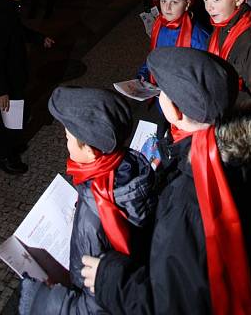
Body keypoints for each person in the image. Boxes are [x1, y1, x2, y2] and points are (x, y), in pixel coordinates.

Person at [80, 47, 251, 314]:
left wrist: (110, 277)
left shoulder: (188, 197)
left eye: (162, 92)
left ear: (174, 111)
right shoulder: (244, 152)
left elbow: (173, 304)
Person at [19, 87, 155, 314]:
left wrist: (39, 299)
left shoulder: (95, 214)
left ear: (91, 151)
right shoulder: (131, 166)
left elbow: (96, 304)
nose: (66, 144)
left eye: (67, 138)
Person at [0, 0, 54, 174]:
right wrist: (0, 90)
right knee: (8, 120)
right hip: (6, 80)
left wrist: (39, 38)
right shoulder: (0, 17)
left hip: (13, 76)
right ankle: (4, 157)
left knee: (13, 116)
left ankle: (10, 146)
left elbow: (19, 31)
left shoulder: (7, 11)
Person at [137, 0, 210, 84]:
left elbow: (206, 74)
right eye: (163, 1)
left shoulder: (199, 36)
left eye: (174, 2)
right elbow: (155, 56)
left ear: (187, 4)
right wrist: (144, 73)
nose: (167, 8)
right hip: (161, 87)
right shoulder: (159, 26)